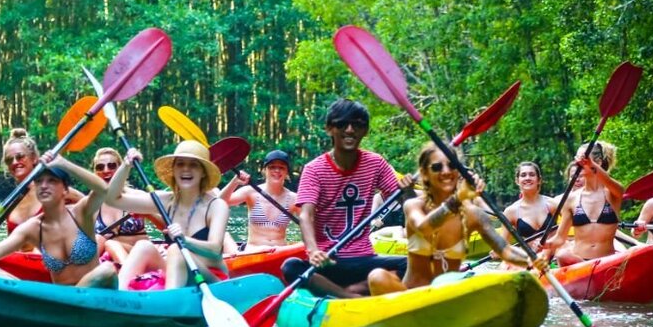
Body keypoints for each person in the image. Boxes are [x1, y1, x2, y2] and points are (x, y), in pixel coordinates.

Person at [281, 99, 412, 298]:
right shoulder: (313, 169)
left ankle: (351, 291)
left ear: (365, 130)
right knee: (291, 267)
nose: (350, 130)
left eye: (357, 125)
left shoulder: (376, 163)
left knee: (412, 263)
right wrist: (313, 251)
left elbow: (410, 206)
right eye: (342, 124)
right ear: (329, 129)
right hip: (329, 261)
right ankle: (350, 297)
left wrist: (408, 191)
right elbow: (306, 216)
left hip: (364, 259)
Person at [368, 143, 535, 294]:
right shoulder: (414, 205)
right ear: (425, 174)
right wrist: (456, 200)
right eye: (437, 167)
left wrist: (532, 259)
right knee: (378, 277)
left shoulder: (473, 213)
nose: (446, 171)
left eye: (451, 165)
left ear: (458, 172)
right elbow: (425, 227)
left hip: (447, 293)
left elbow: (505, 250)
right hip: (412, 296)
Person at [0, 155, 117, 288]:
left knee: (106, 270)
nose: (44, 186)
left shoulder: (81, 212)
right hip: (61, 300)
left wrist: (64, 164)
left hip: (96, 293)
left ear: (66, 190)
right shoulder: (32, 228)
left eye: (52, 181)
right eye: (39, 181)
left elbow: (103, 189)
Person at [107, 140, 230, 290]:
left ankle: (169, 301)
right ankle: (119, 297)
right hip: (177, 270)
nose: (186, 169)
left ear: (203, 172)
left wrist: (184, 240)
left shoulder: (217, 206)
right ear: (173, 169)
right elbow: (113, 199)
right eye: (180, 164)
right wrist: (126, 166)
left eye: (193, 165)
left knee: (175, 250)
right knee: (143, 246)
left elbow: (215, 249)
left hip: (211, 278)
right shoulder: (165, 200)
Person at [540, 141, 624, 266]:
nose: (578, 164)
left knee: (633, 250)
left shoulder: (613, 194)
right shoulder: (571, 199)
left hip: (607, 262)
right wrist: (547, 244)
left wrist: (591, 165)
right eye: (578, 159)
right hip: (579, 264)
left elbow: (619, 188)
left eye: (583, 160)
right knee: (562, 255)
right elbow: (560, 238)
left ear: (599, 162)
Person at [1, 128, 84, 245]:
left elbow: (92, 207)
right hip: (21, 259)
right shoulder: (10, 202)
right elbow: (9, 243)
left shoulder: (52, 188)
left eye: (20, 157)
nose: (14, 162)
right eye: (9, 160)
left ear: (34, 158)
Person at [90, 147, 160, 264]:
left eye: (112, 166)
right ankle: (77, 275)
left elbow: (159, 236)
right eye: (100, 167)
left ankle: (127, 277)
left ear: (120, 169)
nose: (106, 170)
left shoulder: (137, 197)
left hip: (141, 255)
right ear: (95, 172)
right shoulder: (91, 204)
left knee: (110, 243)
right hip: (108, 261)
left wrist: (147, 214)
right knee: (100, 240)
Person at [221, 149, 299, 251]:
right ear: (264, 170)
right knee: (224, 236)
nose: (277, 171)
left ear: (287, 172)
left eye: (281, 167)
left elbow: (312, 226)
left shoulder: (294, 198)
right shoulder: (250, 192)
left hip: (280, 252)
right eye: (272, 167)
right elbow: (219, 202)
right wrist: (234, 182)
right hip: (253, 252)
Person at [501, 161, 556, 248]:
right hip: (530, 256)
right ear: (517, 181)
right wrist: (498, 251)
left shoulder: (552, 204)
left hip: (554, 253)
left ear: (539, 180)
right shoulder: (511, 211)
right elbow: (503, 246)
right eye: (523, 175)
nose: (527, 178)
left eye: (532, 174)